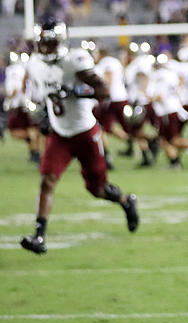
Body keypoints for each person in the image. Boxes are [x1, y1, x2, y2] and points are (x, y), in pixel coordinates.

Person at [21, 18, 139, 254]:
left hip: (85, 133)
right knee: (47, 181)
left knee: (97, 189)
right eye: (42, 43)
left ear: (60, 42)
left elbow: (103, 90)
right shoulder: (34, 63)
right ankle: (39, 237)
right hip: (60, 134)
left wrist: (76, 91)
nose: (44, 48)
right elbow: (45, 95)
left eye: (50, 43)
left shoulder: (74, 61)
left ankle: (126, 201)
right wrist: (44, 115)